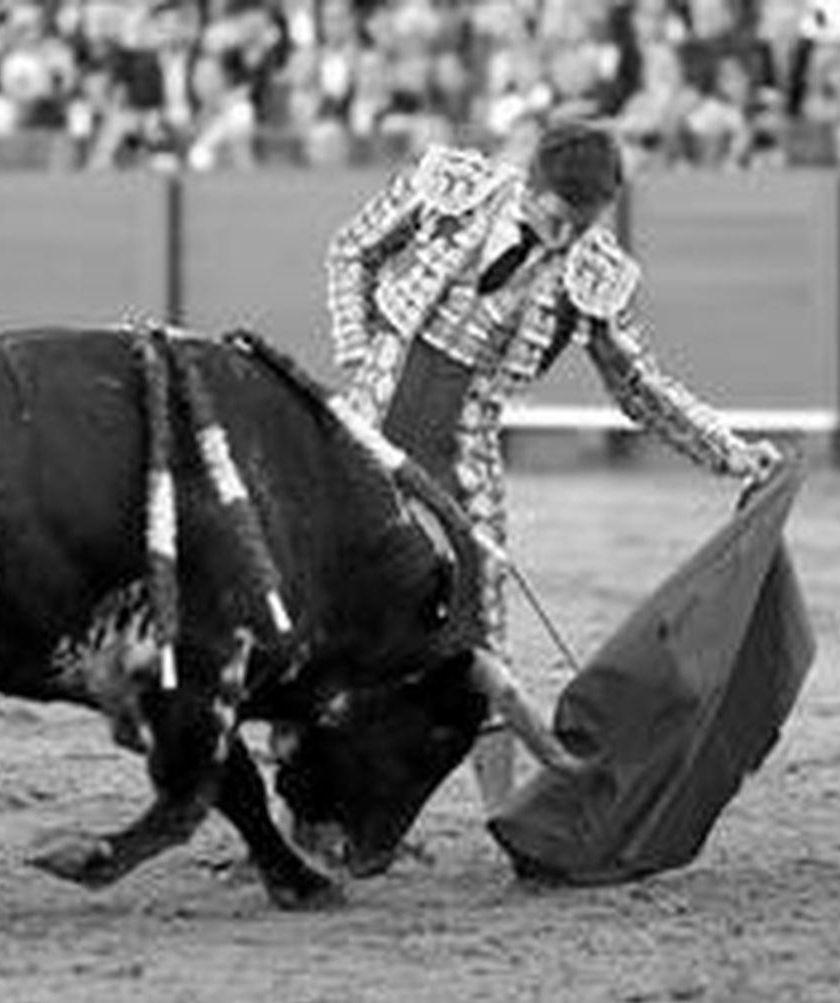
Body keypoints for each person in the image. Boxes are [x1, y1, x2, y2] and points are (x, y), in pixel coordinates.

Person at [324, 121, 782, 814]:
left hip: (461, 460)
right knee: (320, 611)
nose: (565, 238)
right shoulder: (454, 186)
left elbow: (642, 386)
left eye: (582, 223)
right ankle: (303, 809)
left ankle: (504, 818)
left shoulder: (592, 271)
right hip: (363, 427)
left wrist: (735, 452)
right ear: (531, 184)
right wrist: (359, 357)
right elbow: (351, 252)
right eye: (556, 217)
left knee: (482, 638)